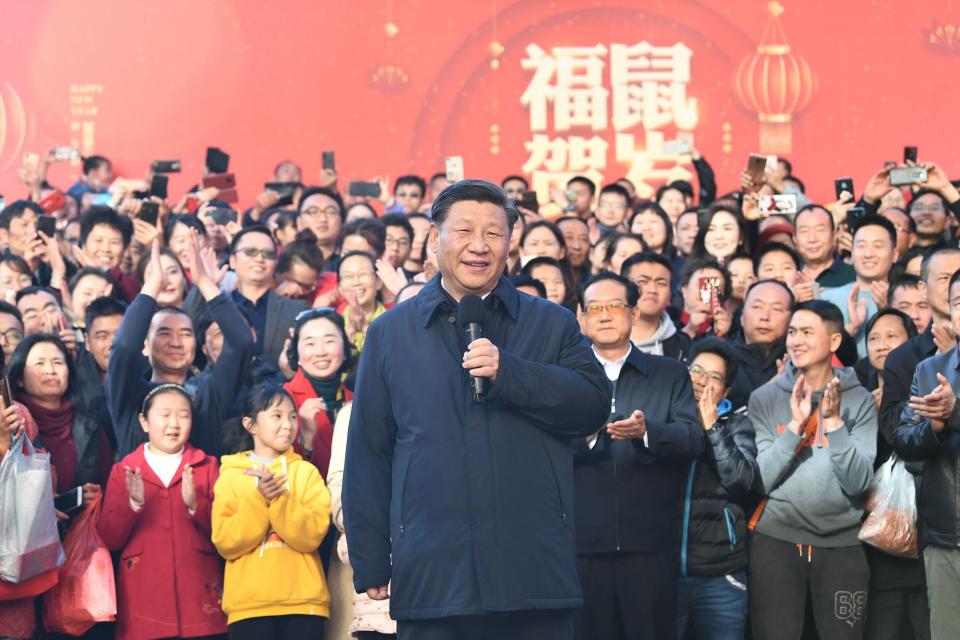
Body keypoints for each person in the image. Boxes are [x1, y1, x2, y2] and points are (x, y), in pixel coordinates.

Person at [344, 180, 610, 639]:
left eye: (494, 233)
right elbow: (370, 449)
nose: (479, 246)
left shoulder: (551, 322)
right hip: (434, 574)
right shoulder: (391, 333)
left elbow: (591, 404)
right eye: (464, 230)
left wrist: (511, 374)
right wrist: (371, 555)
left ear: (511, 243)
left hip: (533, 572)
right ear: (434, 238)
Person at [573, 272, 702, 640]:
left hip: (650, 543)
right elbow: (545, 447)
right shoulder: (565, 377)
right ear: (581, 318)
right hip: (583, 545)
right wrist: (592, 439)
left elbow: (693, 440)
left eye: (615, 306)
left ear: (632, 313)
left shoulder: (670, 374)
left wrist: (648, 433)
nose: (605, 315)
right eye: (594, 307)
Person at [748, 300, 877, 639]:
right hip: (777, 541)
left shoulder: (859, 399)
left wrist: (834, 423)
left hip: (842, 544)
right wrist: (794, 426)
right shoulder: (765, 397)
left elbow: (859, 483)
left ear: (834, 342)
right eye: (792, 332)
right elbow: (759, 479)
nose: (796, 340)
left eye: (807, 332)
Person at [98, 383, 228, 640]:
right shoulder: (124, 470)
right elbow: (109, 538)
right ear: (144, 422)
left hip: (199, 598)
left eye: (183, 415)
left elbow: (225, 533)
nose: (174, 423)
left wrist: (196, 505)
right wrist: (133, 505)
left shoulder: (208, 466)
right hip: (144, 601)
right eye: (165, 415)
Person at [107, 237, 254, 457]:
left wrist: (204, 283)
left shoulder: (207, 395)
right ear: (145, 346)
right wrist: (152, 287)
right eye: (164, 333)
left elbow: (241, 342)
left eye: (185, 334)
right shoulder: (129, 394)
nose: (176, 342)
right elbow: (124, 347)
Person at [212, 383, 332, 639]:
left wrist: (278, 500)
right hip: (249, 608)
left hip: (304, 603)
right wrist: (258, 499)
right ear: (250, 424)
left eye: (292, 416)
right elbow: (226, 542)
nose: (288, 425)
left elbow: (312, 535)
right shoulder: (230, 476)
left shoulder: (306, 473)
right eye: (277, 416)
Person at [892, 267, 960, 639]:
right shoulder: (930, 369)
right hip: (946, 532)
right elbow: (904, 439)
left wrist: (954, 414)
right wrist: (934, 426)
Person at [676, 338, 758, 640]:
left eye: (714, 377)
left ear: (725, 391)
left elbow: (742, 481)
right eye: (696, 371)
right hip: (664, 566)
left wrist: (711, 426)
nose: (702, 381)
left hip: (721, 573)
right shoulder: (665, 419)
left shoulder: (737, 425)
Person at [7, 333, 110, 502]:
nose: (51, 370)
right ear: (19, 378)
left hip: (79, 525)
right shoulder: (11, 423)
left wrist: (97, 496)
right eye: (39, 363)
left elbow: (108, 486)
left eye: (58, 362)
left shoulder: (90, 427)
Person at [880, 248, 960, 448]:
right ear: (923, 288)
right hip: (934, 474)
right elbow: (897, 434)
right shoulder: (906, 359)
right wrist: (933, 421)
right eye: (944, 277)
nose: (953, 284)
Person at [283, 308, 355, 478]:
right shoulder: (283, 399)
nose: (321, 351)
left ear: (345, 350)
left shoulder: (357, 399)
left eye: (329, 341)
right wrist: (306, 438)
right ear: (297, 354)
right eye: (310, 343)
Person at [821, 215, 899, 357]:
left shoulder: (905, 300)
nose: (868, 254)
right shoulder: (826, 299)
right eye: (861, 246)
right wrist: (850, 330)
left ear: (894, 254)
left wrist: (889, 311)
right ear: (852, 251)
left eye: (878, 246)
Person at [727, 280, 793, 409]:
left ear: (791, 320)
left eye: (776, 309)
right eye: (757, 307)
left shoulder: (798, 361)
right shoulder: (721, 359)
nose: (765, 317)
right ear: (741, 317)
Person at [620, 252, 689, 360]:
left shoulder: (684, 348)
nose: (652, 290)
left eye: (661, 283)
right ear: (623, 287)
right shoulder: (599, 341)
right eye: (642, 281)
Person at [793, 204, 856, 288]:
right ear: (794, 239)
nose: (812, 239)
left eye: (820, 230)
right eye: (804, 231)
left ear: (834, 235)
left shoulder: (854, 276)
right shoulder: (789, 277)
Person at [337, 251, 387, 351]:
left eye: (363, 274)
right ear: (340, 288)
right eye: (348, 276)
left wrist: (366, 329)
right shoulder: (334, 324)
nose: (356, 282)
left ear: (378, 282)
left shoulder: (392, 322)